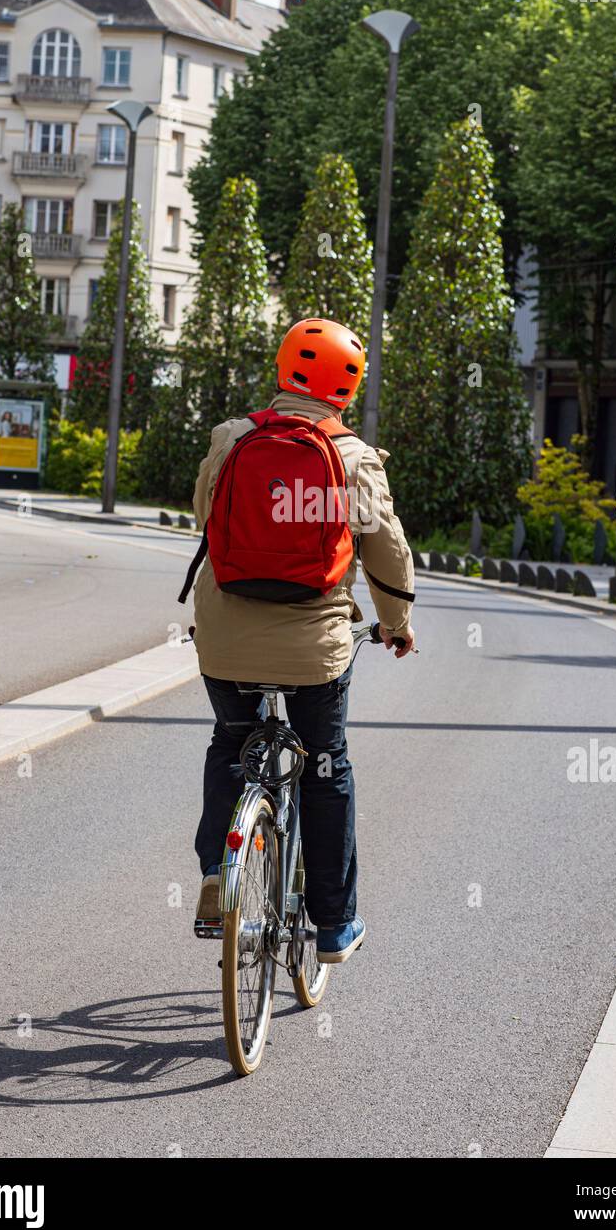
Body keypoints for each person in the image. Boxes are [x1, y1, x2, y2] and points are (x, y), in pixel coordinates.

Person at [187, 317, 415, 964]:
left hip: (225, 640)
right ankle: (336, 925)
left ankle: (214, 869)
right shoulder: (352, 458)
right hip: (315, 652)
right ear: (347, 389)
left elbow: (205, 516)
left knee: (231, 742)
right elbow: (386, 553)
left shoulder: (233, 439)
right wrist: (396, 625)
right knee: (325, 766)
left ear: (283, 370)